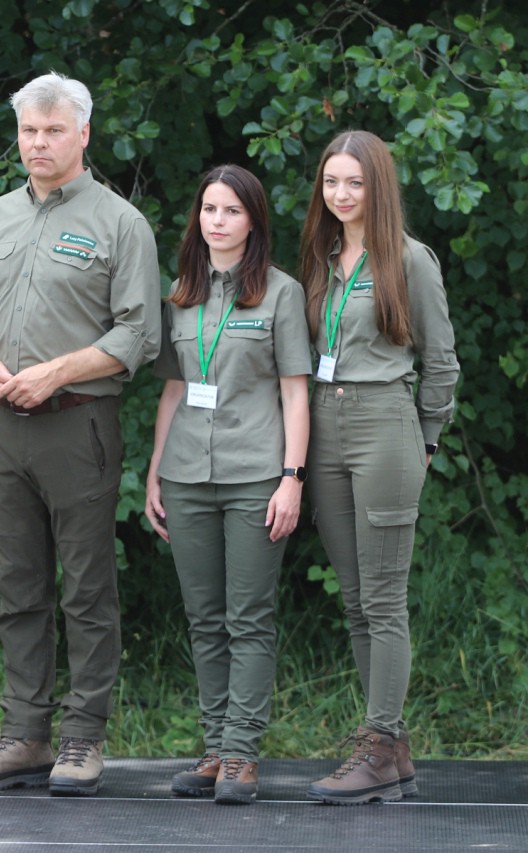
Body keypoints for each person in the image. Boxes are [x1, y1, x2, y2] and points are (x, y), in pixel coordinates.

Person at [0, 72, 161, 797]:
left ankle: (82, 738)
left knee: (87, 589)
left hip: (78, 425)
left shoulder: (120, 224)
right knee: (18, 585)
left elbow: (138, 332)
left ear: (83, 135)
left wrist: (57, 372)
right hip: (1, 426)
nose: (38, 143)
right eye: (29, 131)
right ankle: (25, 734)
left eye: (53, 131)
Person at [298, 130, 459, 805]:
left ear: (378, 187)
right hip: (324, 428)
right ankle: (388, 753)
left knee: (385, 600)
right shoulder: (322, 257)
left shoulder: (409, 259)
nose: (341, 194)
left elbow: (442, 360)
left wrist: (423, 440)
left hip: (385, 427)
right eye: (332, 182)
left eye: (354, 183)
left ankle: (378, 737)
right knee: (356, 600)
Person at [144, 165, 310, 805]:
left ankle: (243, 753)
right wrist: (156, 470)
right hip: (186, 476)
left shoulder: (280, 294)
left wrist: (292, 478)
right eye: (209, 209)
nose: (218, 221)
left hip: (255, 477)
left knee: (248, 618)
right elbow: (175, 388)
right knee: (204, 618)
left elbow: (296, 394)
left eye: (232, 211)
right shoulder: (180, 292)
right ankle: (214, 749)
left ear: (253, 221)